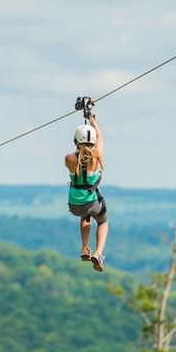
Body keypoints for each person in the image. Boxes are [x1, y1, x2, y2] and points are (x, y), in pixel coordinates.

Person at [65, 113, 108, 272]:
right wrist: (93, 122)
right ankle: (98, 253)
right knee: (103, 221)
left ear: (75, 141)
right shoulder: (96, 159)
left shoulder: (69, 159)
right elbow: (100, 139)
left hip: (75, 204)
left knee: (85, 214)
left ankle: (85, 247)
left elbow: (78, 155)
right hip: (91, 203)